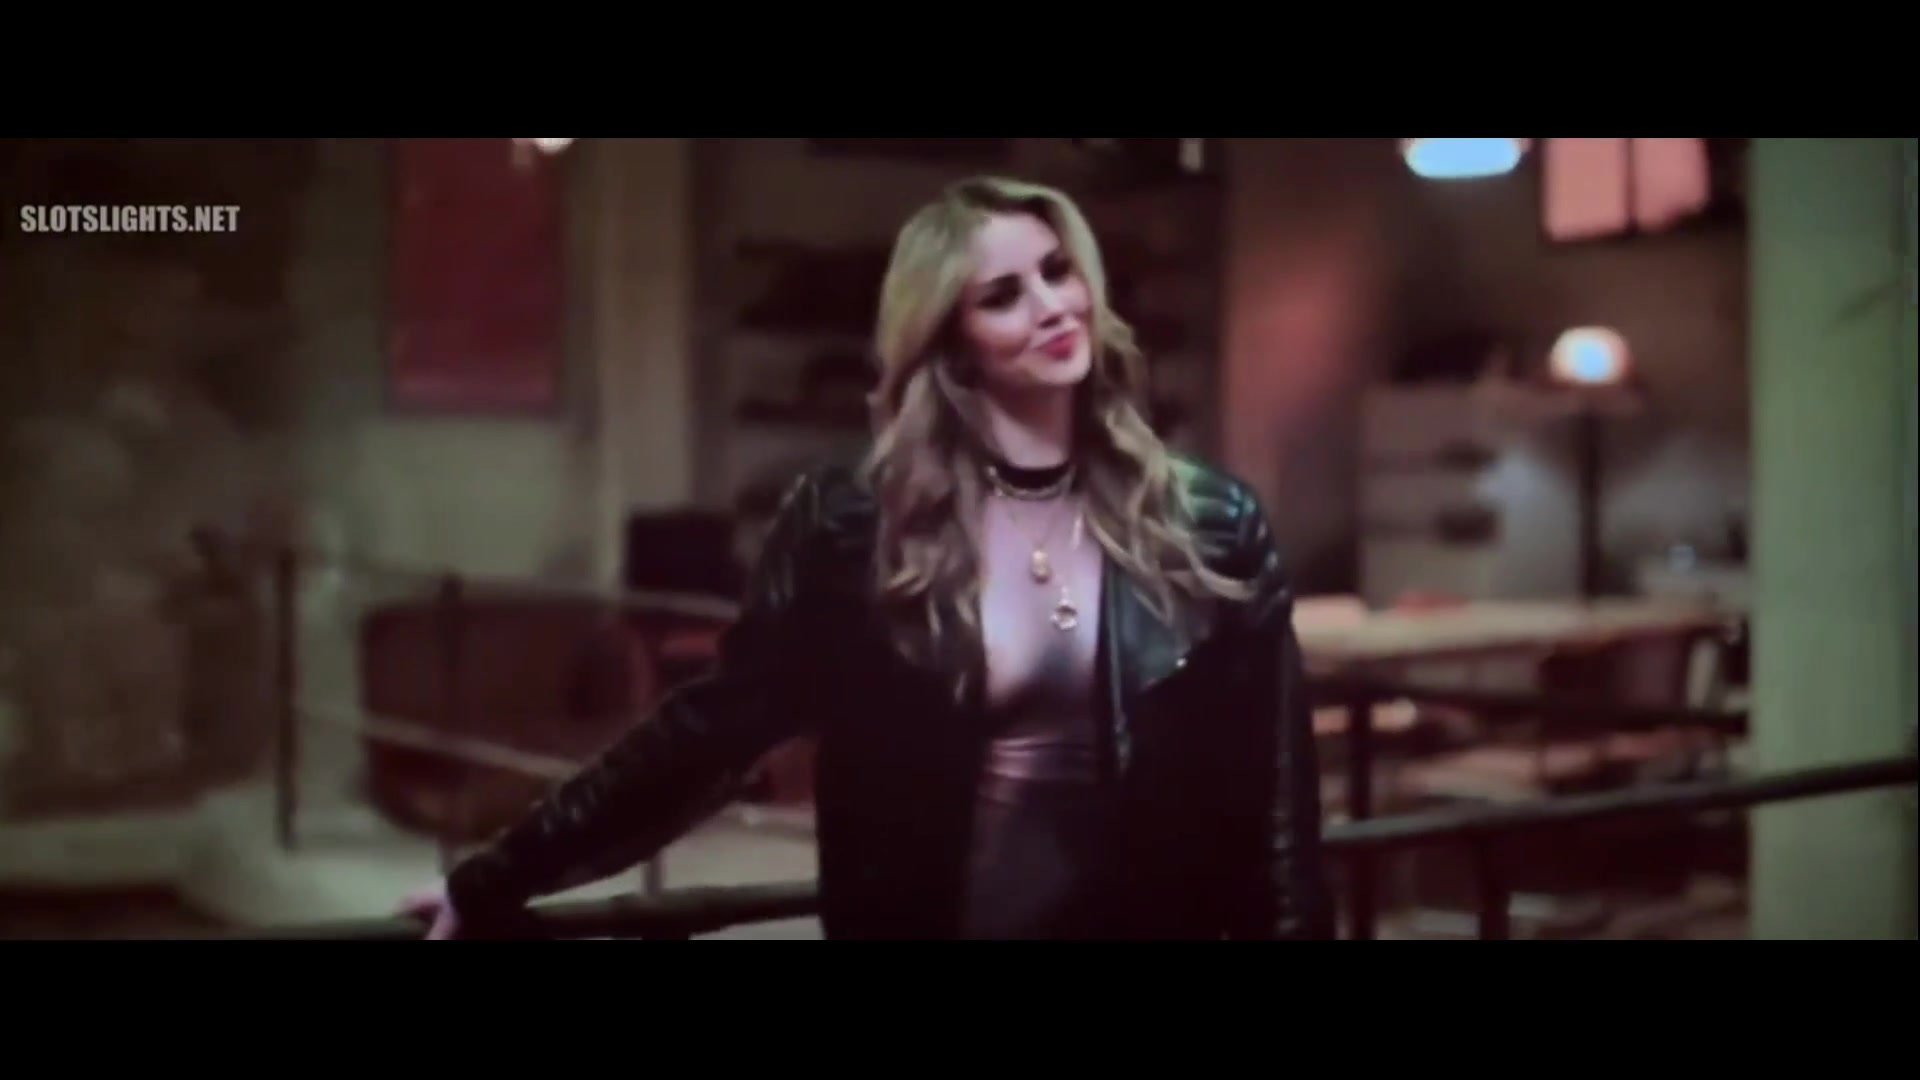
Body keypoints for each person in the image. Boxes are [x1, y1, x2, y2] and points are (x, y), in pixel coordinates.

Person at [399, 175, 1334, 940]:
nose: (1052, 306)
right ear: (950, 341)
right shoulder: (854, 528)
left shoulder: (1210, 521)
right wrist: (494, 878)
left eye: (1057, 271)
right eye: (1003, 295)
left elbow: (1278, 805)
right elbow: (709, 733)